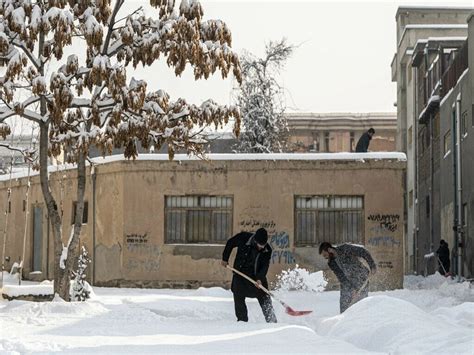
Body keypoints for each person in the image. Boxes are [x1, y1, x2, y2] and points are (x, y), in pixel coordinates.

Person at [221, 228, 277, 323]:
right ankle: (242, 322)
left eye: (263, 245)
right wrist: (225, 258)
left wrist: (260, 278)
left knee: (264, 296)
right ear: (255, 240)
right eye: (259, 245)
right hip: (240, 274)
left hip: (256, 276)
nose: (261, 247)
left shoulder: (267, 250)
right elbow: (230, 243)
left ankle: (272, 321)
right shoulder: (243, 237)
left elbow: (264, 266)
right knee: (238, 295)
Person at [319, 242, 377, 313]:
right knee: (344, 302)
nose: (325, 257)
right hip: (349, 281)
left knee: (361, 301)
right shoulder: (331, 263)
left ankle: (362, 318)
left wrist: (372, 265)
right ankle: (344, 320)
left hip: (361, 277)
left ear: (329, 250)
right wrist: (352, 289)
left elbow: (363, 252)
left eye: (325, 254)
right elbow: (341, 277)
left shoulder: (345, 249)